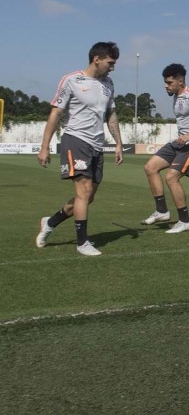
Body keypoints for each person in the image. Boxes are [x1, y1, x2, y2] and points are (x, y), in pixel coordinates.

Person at [35, 42, 123, 256]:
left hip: (97, 144)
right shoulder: (71, 80)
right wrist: (44, 147)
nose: (113, 67)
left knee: (88, 197)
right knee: (83, 192)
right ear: (97, 59)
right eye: (110, 63)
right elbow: (55, 113)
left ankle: (50, 222)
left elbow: (110, 114)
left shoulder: (108, 84)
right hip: (75, 139)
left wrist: (118, 142)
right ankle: (82, 242)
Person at [142, 64, 189, 233]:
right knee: (150, 167)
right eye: (165, 82)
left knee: (171, 178)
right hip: (180, 143)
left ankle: (185, 221)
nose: (166, 86)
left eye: (169, 82)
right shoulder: (177, 96)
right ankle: (162, 211)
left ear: (180, 80)